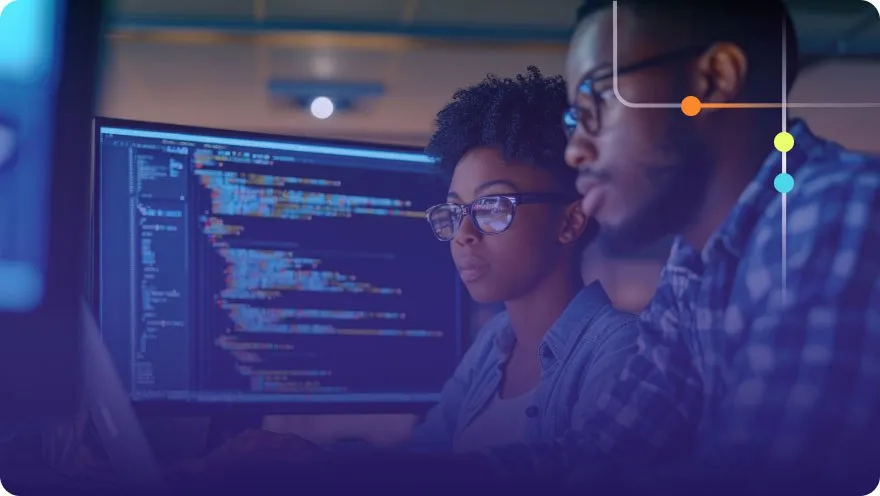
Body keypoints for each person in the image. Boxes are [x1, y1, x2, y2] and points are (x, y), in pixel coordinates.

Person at [171, 68, 697, 490]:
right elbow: (422, 458)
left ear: (570, 220)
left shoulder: (621, 351)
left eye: (491, 207)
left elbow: (571, 476)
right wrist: (302, 460)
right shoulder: (496, 344)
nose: (463, 234)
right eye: (453, 212)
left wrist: (331, 470)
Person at [562, 0, 880, 493]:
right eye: (574, 117)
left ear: (712, 79)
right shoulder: (692, 267)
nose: (574, 148)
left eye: (597, 99)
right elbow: (600, 457)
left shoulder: (836, 211)